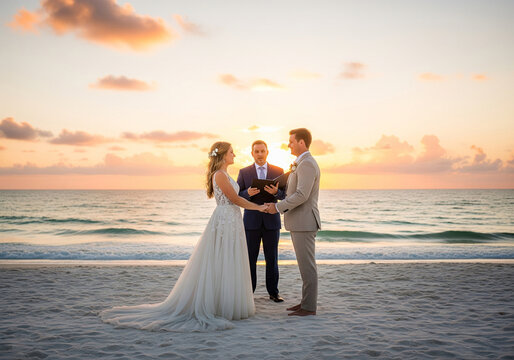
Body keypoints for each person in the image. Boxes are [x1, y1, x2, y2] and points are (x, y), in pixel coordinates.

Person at [100, 142, 267, 331]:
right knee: (222, 258)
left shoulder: (226, 174)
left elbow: (236, 199)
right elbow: (235, 199)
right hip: (225, 220)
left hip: (232, 219)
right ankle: (219, 305)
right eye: (231, 152)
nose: (234, 155)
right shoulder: (219, 175)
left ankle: (225, 302)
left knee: (229, 259)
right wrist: (259, 207)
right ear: (222, 155)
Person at [265, 128, 321, 316]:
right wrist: (277, 194)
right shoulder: (301, 163)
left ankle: (309, 307)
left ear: (302, 143)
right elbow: (293, 192)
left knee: (307, 266)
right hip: (299, 222)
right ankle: (306, 302)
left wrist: (278, 207)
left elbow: (302, 195)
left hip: (304, 222)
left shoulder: (306, 164)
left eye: (291, 141)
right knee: (304, 266)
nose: (288, 144)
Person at [237, 140, 286, 302]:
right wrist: (247, 193)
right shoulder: (244, 172)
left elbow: (286, 196)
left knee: (272, 258)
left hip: (272, 220)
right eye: (256, 151)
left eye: (262, 151)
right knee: (250, 258)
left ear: (267, 152)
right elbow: (236, 196)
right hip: (251, 221)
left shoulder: (279, 171)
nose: (259, 154)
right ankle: (248, 293)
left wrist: (276, 192)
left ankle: (274, 293)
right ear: (252, 153)